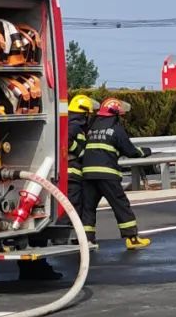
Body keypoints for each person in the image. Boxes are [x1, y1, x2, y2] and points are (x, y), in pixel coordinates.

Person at [80, 97, 153, 250]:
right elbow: (130, 150)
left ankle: (87, 241)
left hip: (88, 174)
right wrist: (144, 152)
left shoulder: (91, 128)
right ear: (115, 114)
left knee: (88, 207)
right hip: (107, 174)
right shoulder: (116, 129)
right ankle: (132, 239)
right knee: (120, 205)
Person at [65, 94, 99, 228]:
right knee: (73, 206)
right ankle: (66, 234)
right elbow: (65, 141)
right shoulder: (74, 126)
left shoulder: (76, 126)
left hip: (73, 174)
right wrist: (80, 151)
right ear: (84, 114)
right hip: (71, 174)